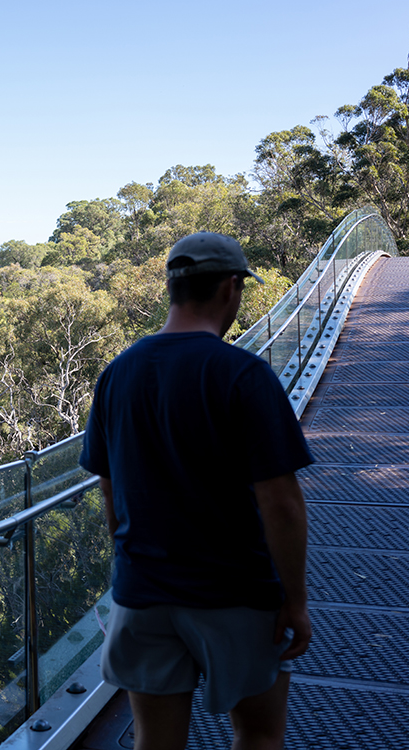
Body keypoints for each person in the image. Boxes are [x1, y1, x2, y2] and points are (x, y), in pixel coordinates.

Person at [79, 232, 313, 750]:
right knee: (258, 734)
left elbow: (111, 496)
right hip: (235, 594)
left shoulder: (117, 374)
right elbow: (281, 504)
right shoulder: (243, 375)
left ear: (171, 289)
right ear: (231, 288)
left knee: (154, 742)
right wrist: (295, 601)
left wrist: (135, 564)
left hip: (142, 594)